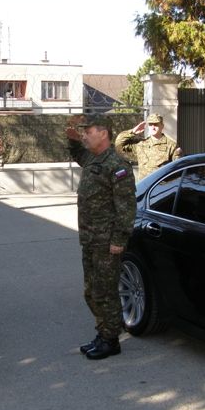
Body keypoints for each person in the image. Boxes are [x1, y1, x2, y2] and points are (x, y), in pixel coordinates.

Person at [65, 114, 136, 360]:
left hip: (107, 242)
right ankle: (103, 332)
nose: (84, 135)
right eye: (83, 132)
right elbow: (78, 153)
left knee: (105, 292)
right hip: (90, 239)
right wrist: (72, 138)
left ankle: (110, 340)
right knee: (92, 291)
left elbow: (126, 207)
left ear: (103, 133)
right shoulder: (93, 158)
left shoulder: (117, 165)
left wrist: (118, 240)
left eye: (88, 131)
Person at [115, 113, 182, 180]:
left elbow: (178, 169)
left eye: (156, 124)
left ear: (162, 126)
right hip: (144, 185)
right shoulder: (141, 145)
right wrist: (133, 132)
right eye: (150, 124)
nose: (153, 127)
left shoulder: (171, 145)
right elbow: (119, 145)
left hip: (162, 185)